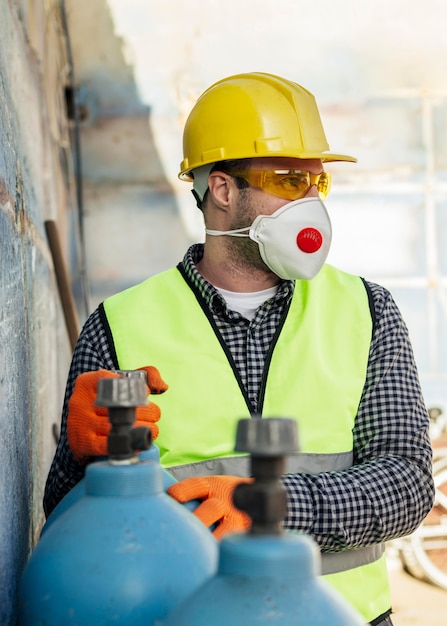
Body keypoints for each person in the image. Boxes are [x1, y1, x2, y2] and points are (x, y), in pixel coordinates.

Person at [44, 72, 434, 626]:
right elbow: (65, 521)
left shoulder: (366, 310)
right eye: (288, 181)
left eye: (317, 184)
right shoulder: (118, 326)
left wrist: (268, 505)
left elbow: (407, 482)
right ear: (222, 190)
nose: (312, 205)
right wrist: (83, 458)